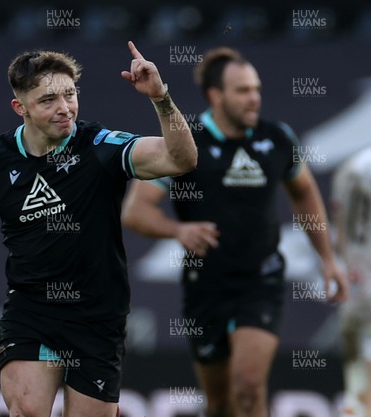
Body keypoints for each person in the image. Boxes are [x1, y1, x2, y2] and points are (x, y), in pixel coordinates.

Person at [0, 41, 197, 417]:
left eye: (70, 95)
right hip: (31, 311)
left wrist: (161, 98)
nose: (64, 108)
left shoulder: (99, 147)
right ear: (19, 107)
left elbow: (181, 160)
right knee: (26, 410)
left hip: (98, 316)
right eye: (48, 100)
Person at [121, 46, 348, 417]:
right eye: (243, 90)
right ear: (216, 96)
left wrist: (328, 259)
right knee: (220, 402)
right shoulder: (185, 144)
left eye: (256, 88)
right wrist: (178, 230)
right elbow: (135, 212)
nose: (254, 97)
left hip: (261, 281)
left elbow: (305, 192)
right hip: (205, 285)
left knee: (247, 388)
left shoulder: (277, 138)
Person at [332, 147, 371, 417]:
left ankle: (356, 404)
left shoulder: (354, 165)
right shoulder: (361, 168)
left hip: (357, 269)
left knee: (357, 352)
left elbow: (340, 225)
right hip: (363, 269)